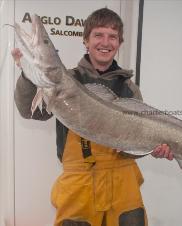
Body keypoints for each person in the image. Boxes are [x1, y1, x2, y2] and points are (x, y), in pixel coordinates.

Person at [13, 8, 173, 226]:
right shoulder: (65, 80)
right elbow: (28, 111)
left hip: (123, 184)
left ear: (119, 43)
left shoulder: (130, 90)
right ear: (86, 40)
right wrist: (28, 74)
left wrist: (152, 149)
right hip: (79, 186)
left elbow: (134, 147)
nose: (105, 42)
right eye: (98, 35)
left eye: (112, 36)